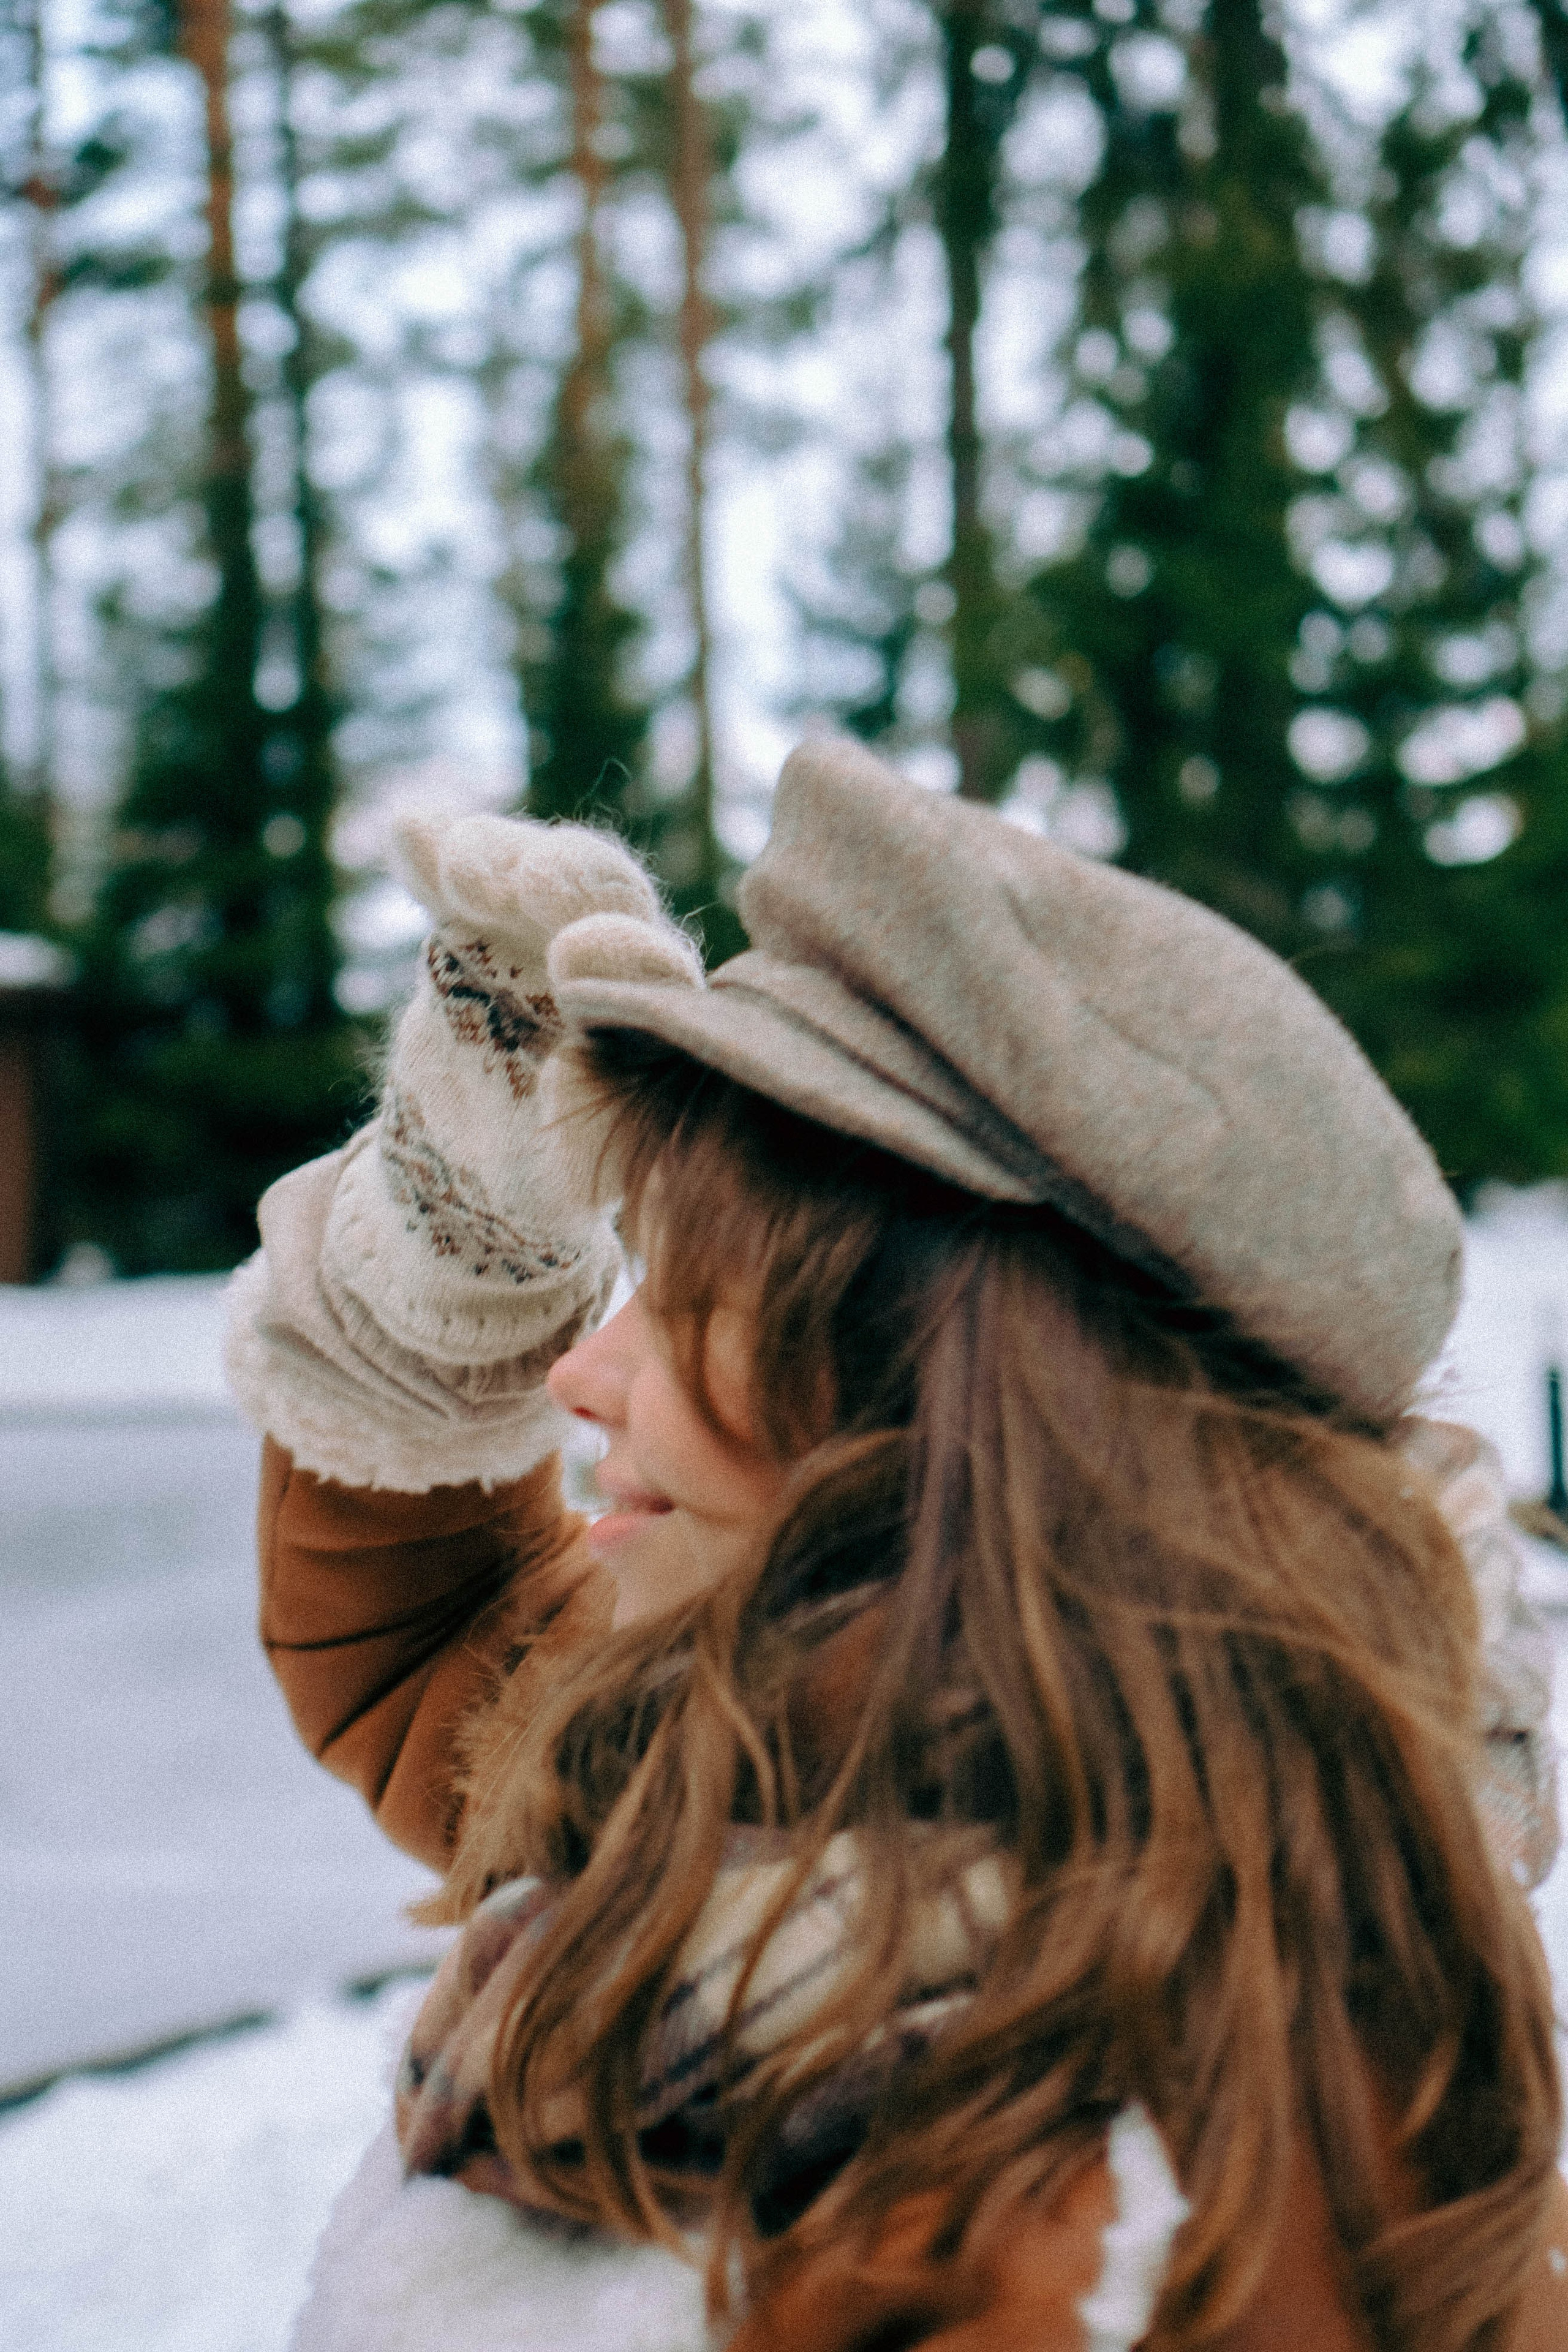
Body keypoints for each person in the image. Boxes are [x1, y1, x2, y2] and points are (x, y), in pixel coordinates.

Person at [226, 737, 1568, 2352]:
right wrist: (460, 1237)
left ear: (951, 1418)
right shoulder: (870, 1757)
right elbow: (450, 1664)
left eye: (700, 1299)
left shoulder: (1125, 2213)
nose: (583, 1365)